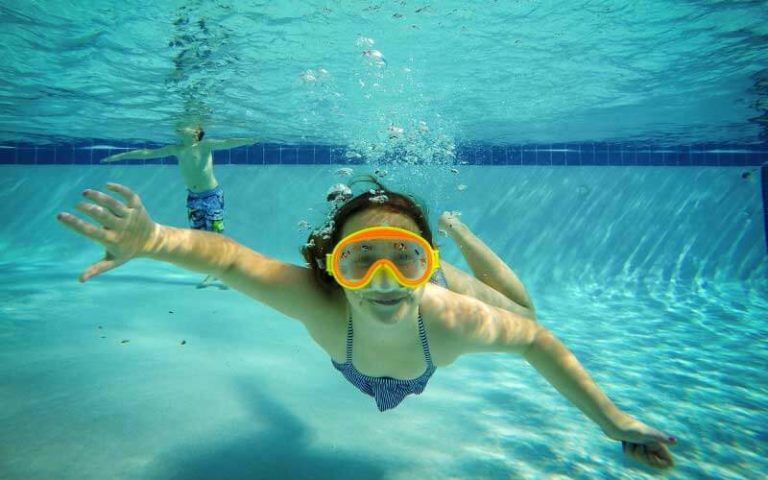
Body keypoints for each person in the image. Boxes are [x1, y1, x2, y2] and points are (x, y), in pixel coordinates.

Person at [56, 176, 677, 469]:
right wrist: (154, 238)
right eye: (360, 259)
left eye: (404, 258)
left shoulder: (450, 318)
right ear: (334, 265)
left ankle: (458, 231)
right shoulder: (316, 298)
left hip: (440, 298)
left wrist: (613, 422)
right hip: (376, 339)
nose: (383, 281)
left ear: (423, 263)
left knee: (524, 313)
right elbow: (228, 259)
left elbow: (539, 341)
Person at [100, 124, 257, 287]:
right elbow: (148, 153)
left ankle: (226, 272)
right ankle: (213, 272)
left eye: (187, 126)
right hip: (193, 198)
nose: (180, 126)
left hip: (211, 196)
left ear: (196, 133)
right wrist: (120, 156)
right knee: (201, 239)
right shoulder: (177, 149)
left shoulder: (204, 145)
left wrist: (251, 139)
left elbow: (228, 143)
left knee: (217, 236)